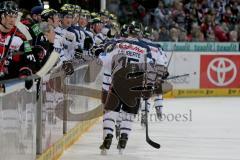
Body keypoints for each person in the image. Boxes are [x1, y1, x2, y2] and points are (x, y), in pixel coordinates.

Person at [99, 21, 156, 154]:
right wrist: (149, 87)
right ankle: (124, 138)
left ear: (128, 32)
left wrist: (98, 54)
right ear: (139, 33)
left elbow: (105, 61)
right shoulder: (144, 48)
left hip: (118, 83)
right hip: (135, 86)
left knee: (110, 111)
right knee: (128, 114)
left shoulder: (118, 44)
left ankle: (108, 136)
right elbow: (151, 69)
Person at [0, 1, 35, 85]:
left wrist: (25, 72)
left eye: (15, 16)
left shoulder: (22, 38)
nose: (12, 20)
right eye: (10, 16)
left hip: (8, 83)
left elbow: (29, 58)